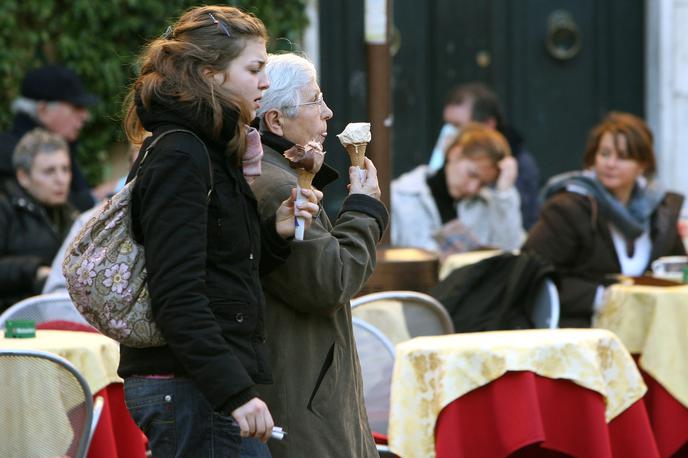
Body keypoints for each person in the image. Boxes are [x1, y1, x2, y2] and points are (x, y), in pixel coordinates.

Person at [117, 6, 320, 457]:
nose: (264, 83)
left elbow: (223, 271)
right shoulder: (182, 155)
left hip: (201, 384)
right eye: (254, 69)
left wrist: (276, 233)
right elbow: (177, 294)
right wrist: (234, 393)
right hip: (191, 388)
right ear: (210, 75)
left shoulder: (211, 148)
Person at [251, 53, 388, 458]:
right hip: (300, 401)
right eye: (315, 100)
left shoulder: (280, 174)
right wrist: (363, 209)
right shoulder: (276, 186)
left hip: (306, 388)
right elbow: (331, 281)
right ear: (275, 121)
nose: (328, 112)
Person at [523, 112, 686, 327]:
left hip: (650, 332)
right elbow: (532, 274)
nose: (611, 163)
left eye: (623, 157)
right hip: (583, 333)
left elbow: (676, 272)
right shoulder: (569, 207)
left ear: (643, 165)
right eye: (605, 154)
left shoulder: (661, 210)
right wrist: (603, 297)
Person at [392, 123, 524, 256]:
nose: (473, 188)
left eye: (483, 184)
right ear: (455, 153)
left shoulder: (488, 206)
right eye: (472, 174)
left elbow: (510, 257)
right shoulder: (401, 197)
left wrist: (504, 195)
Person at [428, 82, 541, 228]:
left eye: (458, 126)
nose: (449, 134)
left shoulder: (519, 166)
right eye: (447, 125)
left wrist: (504, 194)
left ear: (487, 125)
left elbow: (519, 227)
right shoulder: (447, 158)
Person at [0, 64, 99, 211]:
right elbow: (79, 205)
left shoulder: (60, 144)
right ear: (43, 110)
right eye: (76, 107)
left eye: (64, 170)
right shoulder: (11, 157)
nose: (85, 116)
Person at [0, 128, 77, 312]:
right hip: (11, 322)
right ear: (23, 177)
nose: (61, 179)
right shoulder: (4, 208)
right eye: (49, 171)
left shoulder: (72, 214)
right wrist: (34, 271)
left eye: (65, 169)